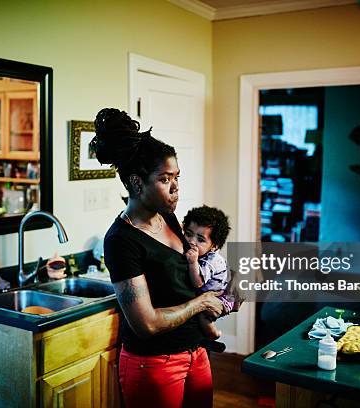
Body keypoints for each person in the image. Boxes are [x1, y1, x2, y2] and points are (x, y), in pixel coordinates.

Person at [91, 108, 224, 408]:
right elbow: (146, 324)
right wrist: (201, 303)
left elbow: (183, 277)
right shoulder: (121, 240)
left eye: (177, 177)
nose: (176, 187)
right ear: (138, 184)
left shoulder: (169, 216)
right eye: (165, 179)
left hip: (195, 352)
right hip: (152, 364)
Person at [183, 205, 237, 340]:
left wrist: (192, 262)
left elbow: (198, 283)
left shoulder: (211, 260)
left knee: (203, 314)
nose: (191, 241)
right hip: (216, 294)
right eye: (188, 234)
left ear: (214, 246)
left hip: (220, 298)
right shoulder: (201, 252)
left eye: (200, 239)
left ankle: (212, 333)